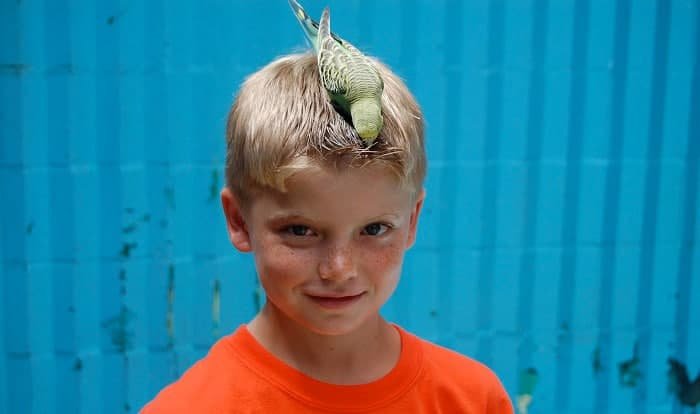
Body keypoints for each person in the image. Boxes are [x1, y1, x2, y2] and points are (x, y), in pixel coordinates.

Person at [141, 52, 513, 413]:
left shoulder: (472, 400)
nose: (339, 269)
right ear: (239, 221)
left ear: (412, 221)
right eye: (300, 230)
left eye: (374, 229)